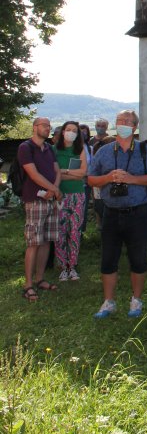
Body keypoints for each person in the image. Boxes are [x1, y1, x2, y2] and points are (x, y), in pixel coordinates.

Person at [88, 110, 147, 319]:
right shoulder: (104, 151)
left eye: (129, 122)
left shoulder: (145, 150)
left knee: (138, 258)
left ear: (135, 127)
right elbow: (91, 179)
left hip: (137, 212)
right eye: (121, 121)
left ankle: (136, 300)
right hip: (110, 212)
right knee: (108, 259)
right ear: (115, 124)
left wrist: (131, 179)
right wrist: (109, 177)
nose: (125, 124)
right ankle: (108, 302)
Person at [18, 117, 62, 301]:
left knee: (46, 241)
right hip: (35, 200)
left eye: (49, 126)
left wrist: (55, 188)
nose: (48, 128)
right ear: (35, 127)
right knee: (34, 242)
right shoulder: (25, 147)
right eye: (44, 125)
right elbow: (33, 174)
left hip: (50, 200)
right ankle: (28, 285)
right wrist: (54, 189)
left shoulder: (50, 148)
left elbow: (57, 171)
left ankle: (40, 278)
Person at [54, 121, 87, 281]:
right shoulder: (54, 150)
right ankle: (62, 266)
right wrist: (68, 173)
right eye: (68, 130)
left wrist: (63, 171)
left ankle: (72, 266)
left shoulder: (79, 150)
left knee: (75, 231)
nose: (71, 133)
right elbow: (53, 175)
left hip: (78, 195)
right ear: (62, 132)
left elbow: (82, 174)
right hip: (60, 195)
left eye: (74, 131)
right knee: (61, 231)